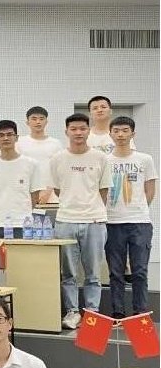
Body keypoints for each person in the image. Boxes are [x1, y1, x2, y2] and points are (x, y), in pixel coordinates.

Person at [51, 113, 112, 328]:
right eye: (74, 129)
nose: (78, 132)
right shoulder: (57, 159)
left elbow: (104, 190)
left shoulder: (100, 158)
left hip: (94, 221)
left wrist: (91, 209)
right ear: (66, 132)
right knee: (68, 273)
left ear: (89, 131)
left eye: (82, 128)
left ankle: (92, 313)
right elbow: (58, 190)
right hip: (65, 221)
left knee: (93, 273)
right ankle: (72, 312)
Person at [104, 116, 156, 318]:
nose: (121, 135)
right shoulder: (104, 160)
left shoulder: (145, 159)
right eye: (116, 131)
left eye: (125, 131)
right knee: (115, 272)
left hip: (140, 223)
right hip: (112, 222)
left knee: (140, 271)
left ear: (133, 134)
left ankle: (140, 313)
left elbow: (150, 190)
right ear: (110, 134)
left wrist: (138, 209)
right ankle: (118, 313)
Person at [0, 121, 44, 238]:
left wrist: (23, 213)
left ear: (16, 138)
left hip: (22, 224)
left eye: (9, 134)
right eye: (1, 135)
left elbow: (34, 195)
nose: (5, 138)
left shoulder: (31, 164)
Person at [16, 106, 63, 205]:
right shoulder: (19, 142)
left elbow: (59, 170)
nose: (38, 122)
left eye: (41, 119)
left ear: (46, 122)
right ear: (27, 122)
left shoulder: (56, 143)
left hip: (50, 194)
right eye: (34, 119)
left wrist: (48, 190)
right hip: (25, 194)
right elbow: (17, 169)